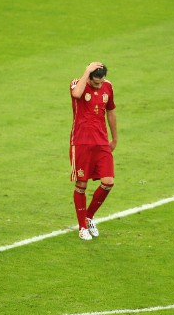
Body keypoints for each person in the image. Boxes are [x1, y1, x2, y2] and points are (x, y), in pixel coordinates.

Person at [69, 62, 118, 240]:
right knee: (81, 185)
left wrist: (114, 138)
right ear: (89, 77)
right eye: (96, 82)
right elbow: (77, 94)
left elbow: (111, 112)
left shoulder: (108, 86)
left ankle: (88, 217)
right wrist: (87, 71)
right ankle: (82, 227)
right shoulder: (77, 83)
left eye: (101, 81)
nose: (99, 85)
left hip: (101, 142)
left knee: (108, 182)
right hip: (81, 142)